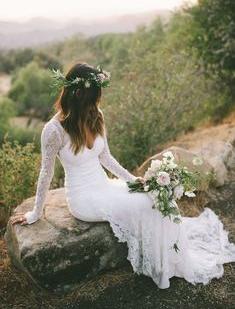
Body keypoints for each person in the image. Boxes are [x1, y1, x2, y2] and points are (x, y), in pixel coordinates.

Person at [11, 62, 235, 289]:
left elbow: (106, 157)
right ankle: (162, 266)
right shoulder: (53, 130)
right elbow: (46, 172)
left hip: (105, 186)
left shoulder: (96, 115)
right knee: (146, 206)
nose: (97, 103)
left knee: (156, 197)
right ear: (78, 94)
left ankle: (170, 259)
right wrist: (35, 213)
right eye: (93, 98)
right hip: (83, 199)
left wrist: (132, 180)